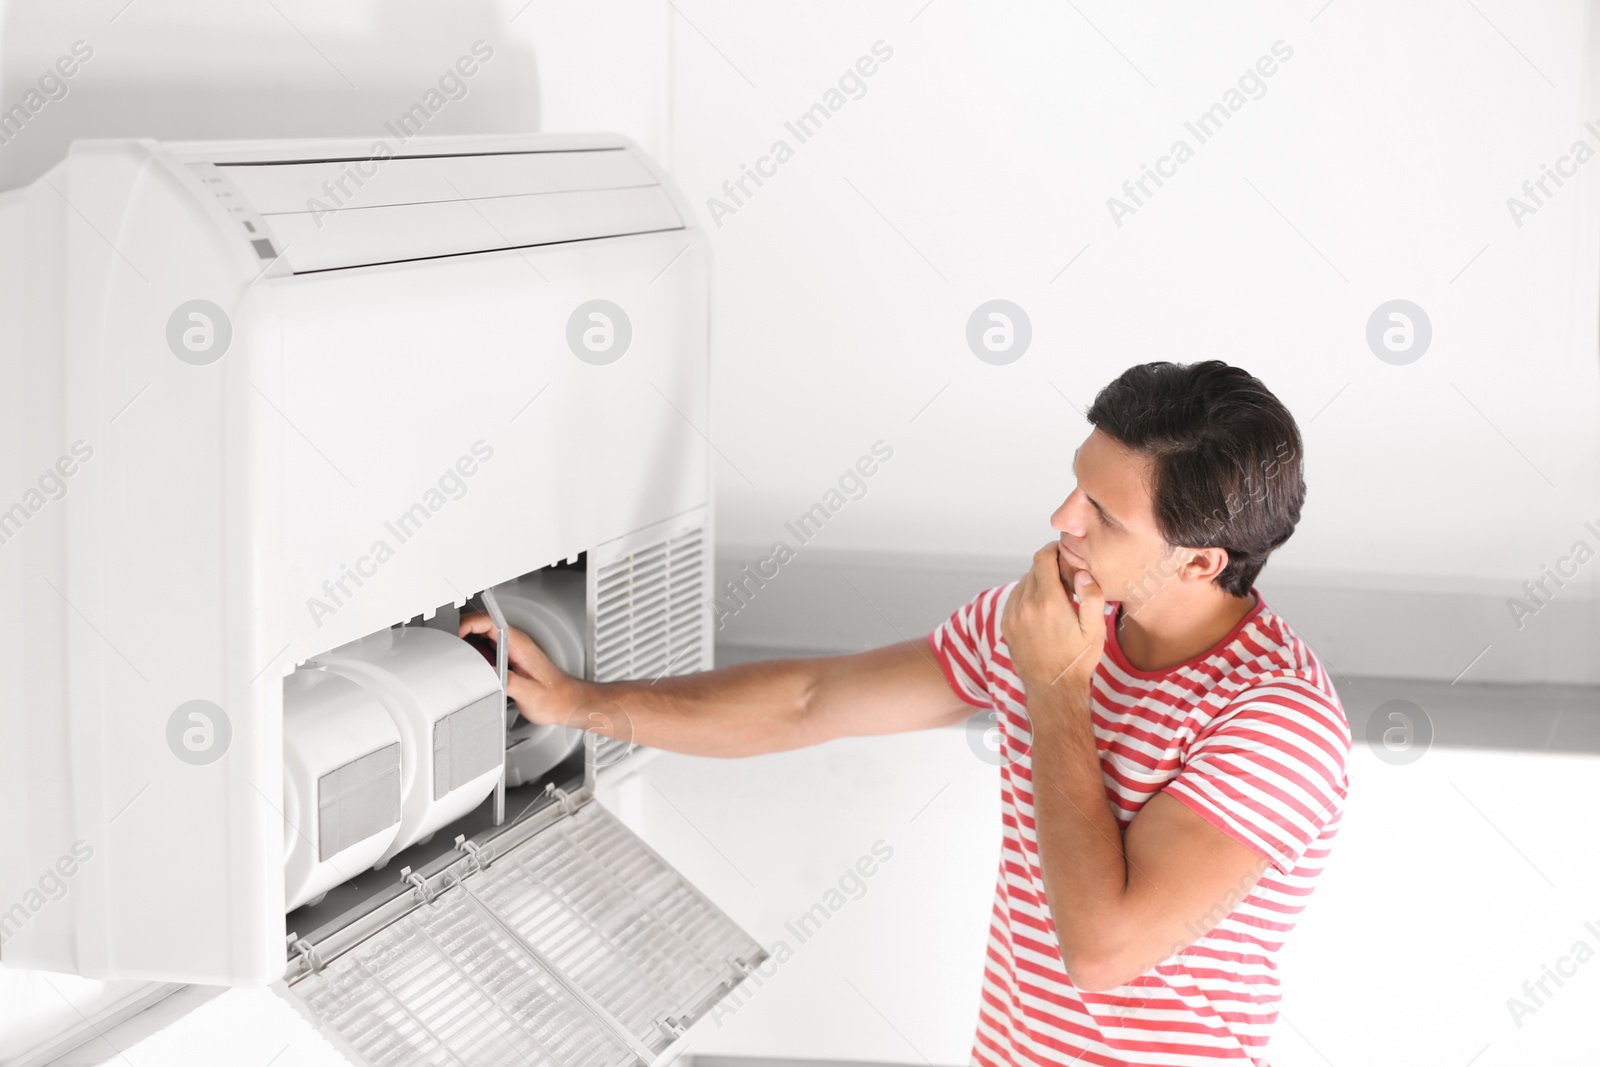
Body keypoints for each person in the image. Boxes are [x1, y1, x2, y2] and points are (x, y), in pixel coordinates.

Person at [463, 360, 1351, 1066]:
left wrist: (1054, 686)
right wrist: (582, 703)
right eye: (1075, 485)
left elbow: (1103, 950)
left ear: (1200, 564)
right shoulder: (1061, 620)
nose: (1061, 518)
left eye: (1104, 516)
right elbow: (813, 702)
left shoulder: (1276, 720)